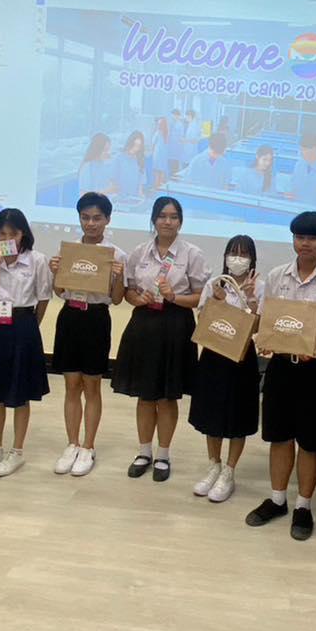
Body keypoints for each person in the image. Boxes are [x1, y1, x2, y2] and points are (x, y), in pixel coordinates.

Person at [244, 211, 316, 540]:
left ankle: (303, 506)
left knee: (310, 440)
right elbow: (268, 320)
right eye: (299, 237)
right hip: (281, 366)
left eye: (312, 238)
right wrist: (266, 336)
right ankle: (277, 499)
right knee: (279, 435)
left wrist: (312, 336)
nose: (305, 243)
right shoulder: (277, 276)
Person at [112, 196, 209, 481]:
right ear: (153, 219)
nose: (168, 221)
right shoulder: (139, 252)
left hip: (176, 325)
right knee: (145, 395)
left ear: (180, 221)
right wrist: (137, 298)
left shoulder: (192, 253)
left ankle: (163, 455)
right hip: (144, 324)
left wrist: (173, 296)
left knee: (167, 396)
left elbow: (201, 297)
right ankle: (144, 452)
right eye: (162, 216)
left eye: (174, 216)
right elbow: (128, 292)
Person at [0, 208, 53, 477]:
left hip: (23, 324)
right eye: (1, 234)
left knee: (20, 391)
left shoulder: (37, 260)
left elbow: (43, 298)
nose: (7, 239)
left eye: (12, 234)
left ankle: (17, 451)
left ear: (23, 234)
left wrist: (30, 326)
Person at [48, 192, 126, 477]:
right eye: (85, 217)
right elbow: (59, 291)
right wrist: (55, 272)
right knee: (71, 385)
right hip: (70, 316)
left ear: (107, 219)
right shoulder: (69, 250)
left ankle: (88, 446)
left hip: (96, 318)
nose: (91, 223)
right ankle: (72, 443)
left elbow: (117, 299)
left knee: (92, 386)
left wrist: (118, 277)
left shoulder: (116, 254)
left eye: (97, 218)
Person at [188, 235, 264, 504]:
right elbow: (203, 320)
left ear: (252, 259)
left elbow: (258, 327)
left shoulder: (260, 287)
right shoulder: (215, 284)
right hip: (213, 355)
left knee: (237, 415)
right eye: (233, 252)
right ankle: (214, 466)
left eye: (243, 254)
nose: (237, 259)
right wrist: (217, 301)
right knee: (211, 412)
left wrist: (250, 300)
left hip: (242, 358)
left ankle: (229, 472)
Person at [113, 131, 146, 200]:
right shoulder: (119, 158)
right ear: (130, 143)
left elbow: (141, 181)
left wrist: (141, 195)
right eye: (134, 145)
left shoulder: (141, 160)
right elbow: (114, 180)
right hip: (120, 196)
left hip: (134, 197)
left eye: (138, 146)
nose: (135, 148)